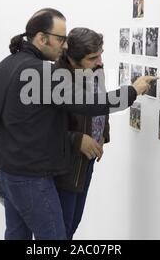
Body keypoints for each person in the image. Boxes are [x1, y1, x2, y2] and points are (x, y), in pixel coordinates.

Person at [0, 8, 154, 240]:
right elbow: (91, 104)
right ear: (41, 38)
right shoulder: (42, 72)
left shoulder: (3, 66)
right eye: (60, 39)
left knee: (16, 236)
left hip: (7, 171)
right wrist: (133, 91)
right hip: (32, 177)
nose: (64, 45)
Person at [54, 27, 111, 240]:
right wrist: (78, 140)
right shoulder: (55, 79)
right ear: (72, 58)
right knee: (61, 229)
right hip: (65, 165)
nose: (100, 61)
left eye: (101, 54)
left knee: (73, 224)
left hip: (87, 162)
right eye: (93, 57)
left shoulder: (96, 69)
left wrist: (103, 134)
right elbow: (45, 127)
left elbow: (103, 102)